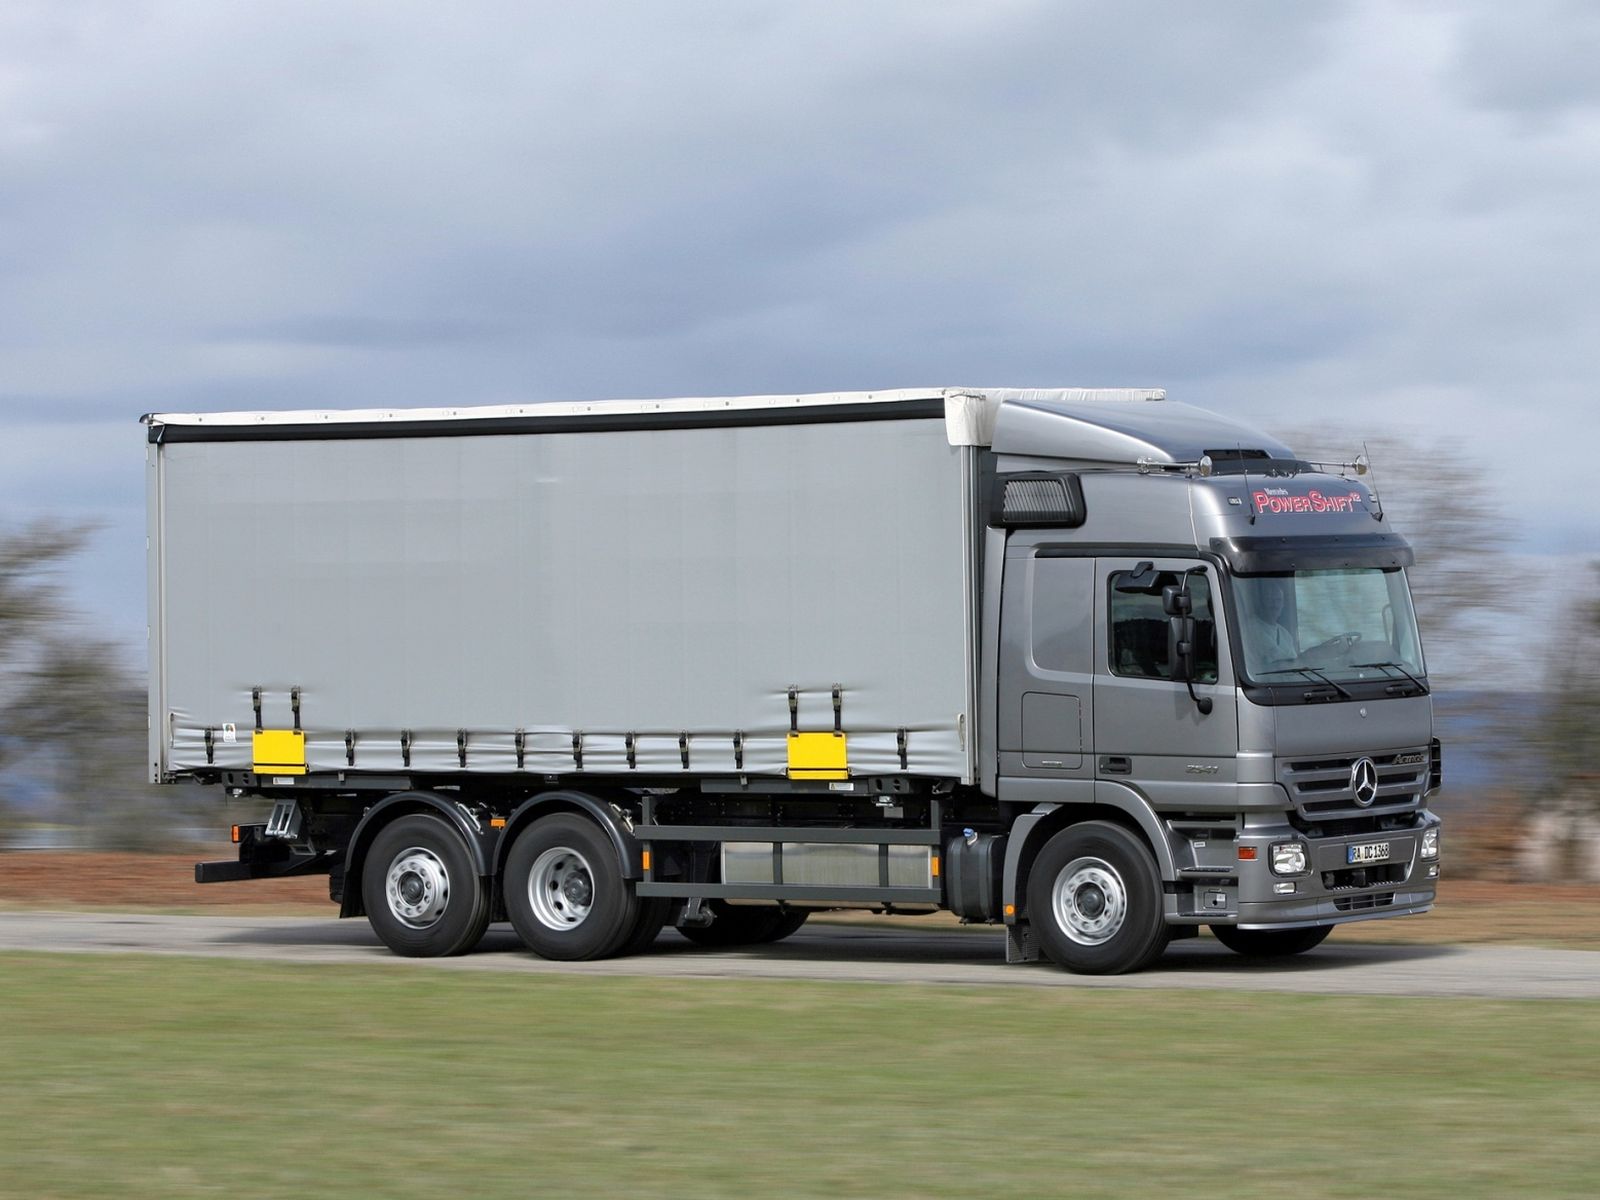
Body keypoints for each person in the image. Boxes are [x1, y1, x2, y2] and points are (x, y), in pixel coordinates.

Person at [1248, 579, 1297, 662]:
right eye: (1270, 600)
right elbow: (1276, 658)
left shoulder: (1286, 635)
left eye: (1278, 600)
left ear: (1282, 605)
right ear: (1262, 602)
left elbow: (1294, 663)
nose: (1275, 605)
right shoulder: (1251, 629)